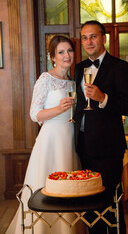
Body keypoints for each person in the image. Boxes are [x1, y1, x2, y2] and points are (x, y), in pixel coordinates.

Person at [6, 35, 82, 234]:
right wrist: (58, 109)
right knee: (48, 187)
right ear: (53, 57)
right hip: (50, 140)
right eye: (61, 52)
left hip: (70, 139)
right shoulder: (45, 79)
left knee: (68, 188)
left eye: (70, 51)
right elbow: (34, 114)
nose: (67, 55)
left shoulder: (73, 81)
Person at [74, 20, 128, 234]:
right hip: (82, 146)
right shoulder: (79, 68)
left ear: (103, 38)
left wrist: (103, 98)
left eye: (93, 36)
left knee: (110, 202)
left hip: (108, 149)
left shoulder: (120, 67)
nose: (88, 41)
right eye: (84, 37)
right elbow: (79, 106)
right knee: (89, 204)